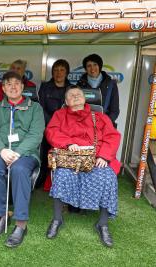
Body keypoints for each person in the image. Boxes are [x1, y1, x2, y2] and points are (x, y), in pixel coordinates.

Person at [45, 85, 121, 248]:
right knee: (61, 175)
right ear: (66, 101)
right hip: (70, 158)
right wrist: (68, 143)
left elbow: (112, 136)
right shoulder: (59, 115)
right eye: (71, 95)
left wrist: (104, 156)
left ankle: (102, 223)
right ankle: (58, 219)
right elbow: (51, 132)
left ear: (85, 98)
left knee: (108, 177)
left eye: (78, 94)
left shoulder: (100, 116)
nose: (76, 96)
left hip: (96, 158)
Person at [0, 71, 45, 248]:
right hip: (0, 151)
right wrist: (2, 150)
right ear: (3, 88)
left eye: (16, 83)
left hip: (25, 154)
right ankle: (0, 216)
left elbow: (36, 135)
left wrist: (17, 152)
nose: (13, 87)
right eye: (8, 84)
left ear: (23, 87)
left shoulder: (35, 108)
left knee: (19, 169)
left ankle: (20, 223)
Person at [38, 59, 71, 189]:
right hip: (48, 124)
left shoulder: (72, 88)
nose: (59, 73)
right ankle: (43, 177)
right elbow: (40, 108)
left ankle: (60, 181)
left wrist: (62, 126)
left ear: (67, 72)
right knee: (44, 150)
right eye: (56, 70)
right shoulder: (45, 87)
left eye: (62, 70)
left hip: (66, 127)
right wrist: (52, 124)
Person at [77, 54, 119, 127]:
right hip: (84, 127)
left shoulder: (111, 84)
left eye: (95, 65)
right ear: (85, 69)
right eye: (89, 66)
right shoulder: (79, 85)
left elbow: (115, 111)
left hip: (103, 126)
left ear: (100, 66)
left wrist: (103, 123)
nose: (92, 69)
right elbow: (76, 108)